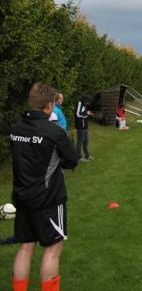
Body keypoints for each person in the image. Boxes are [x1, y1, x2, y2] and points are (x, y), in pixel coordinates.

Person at [10, 83, 79, 291]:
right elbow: (72, 160)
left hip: (22, 197)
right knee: (52, 250)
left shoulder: (16, 128)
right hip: (48, 200)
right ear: (50, 105)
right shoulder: (54, 131)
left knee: (25, 247)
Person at [74, 95, 93, 162]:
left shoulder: (84, 105)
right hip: (80, 126)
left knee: (86, 141)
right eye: (88, 102)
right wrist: (87, 113)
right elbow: (78, 114)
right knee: (80, 141)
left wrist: (87, 113)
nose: (88, 104)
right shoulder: (79, 103)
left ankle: (87, 155)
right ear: (85, 100)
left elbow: (84, 113)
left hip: (85, 126)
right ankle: (78, 157)